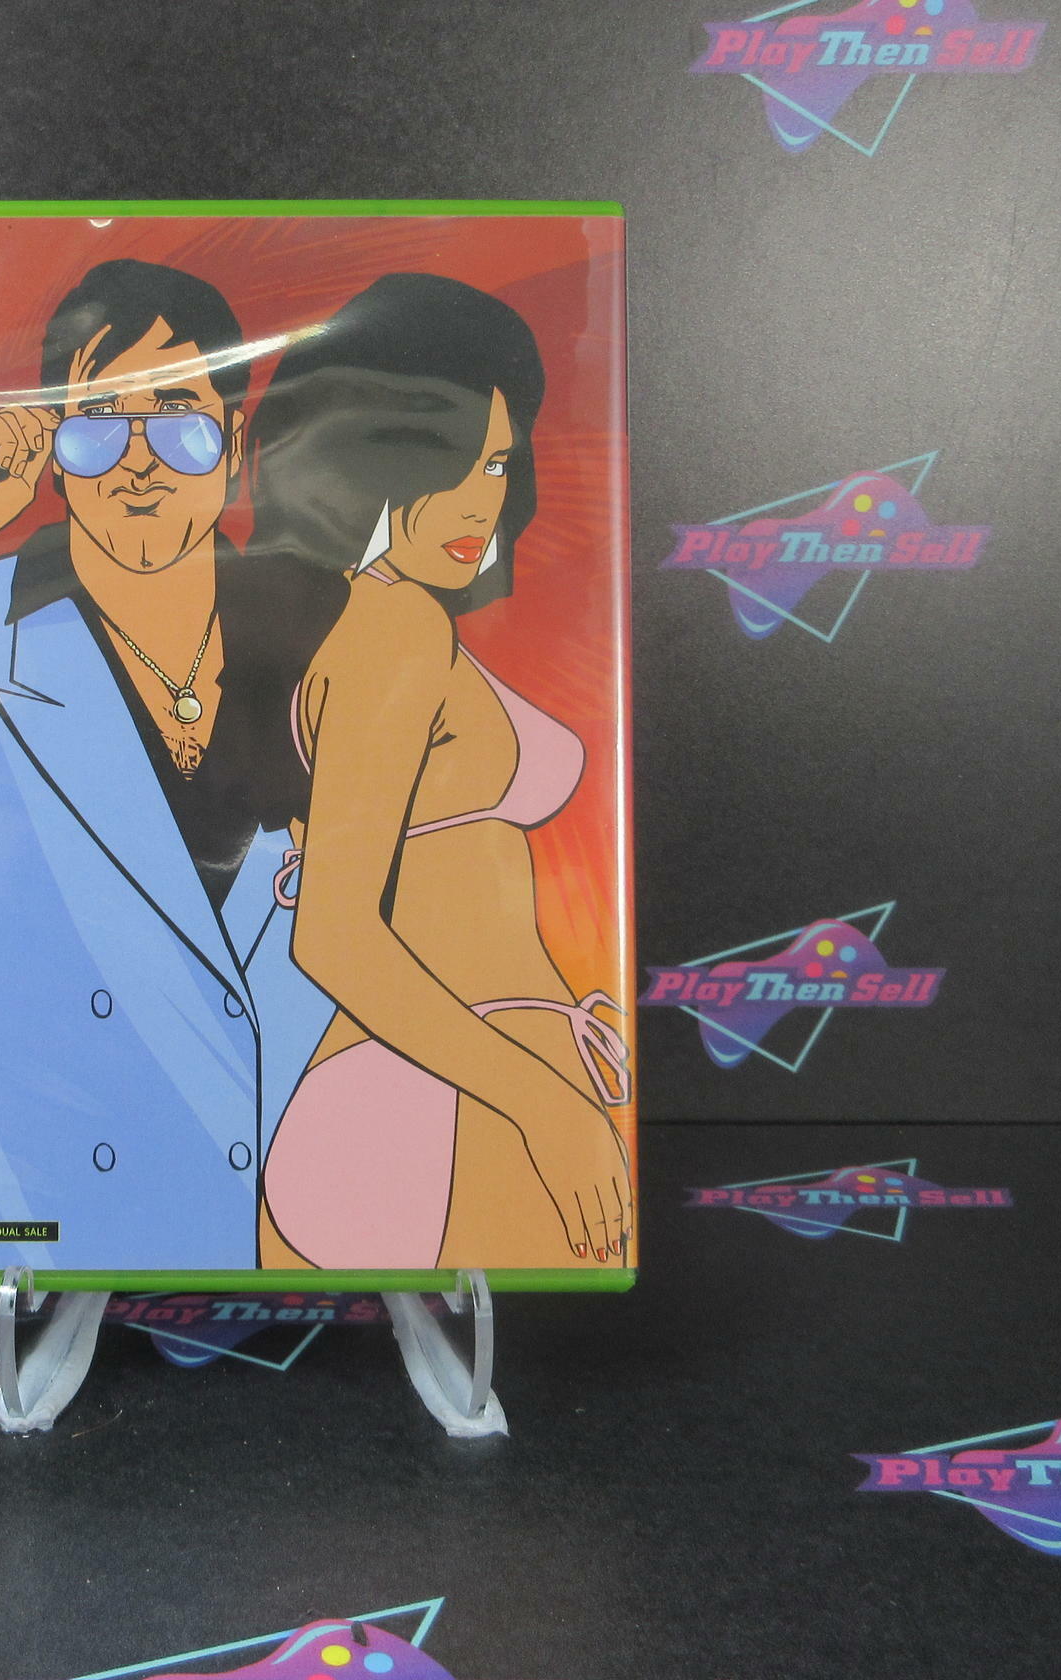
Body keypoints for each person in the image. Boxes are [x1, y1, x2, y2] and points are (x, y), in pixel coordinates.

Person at [0, 259, 332, 1272]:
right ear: (51, 450)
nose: (138, 463)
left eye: (177, 421)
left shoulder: (321, 631)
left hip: (302, 1226)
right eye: (97, 425)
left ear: (232, 449)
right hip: (44, 1227)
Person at [246, 272, 633, 1271]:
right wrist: (550, 1109)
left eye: (498, 463)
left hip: (420, 1088)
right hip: (460, 1093)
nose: (482, 498)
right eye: (453, 460)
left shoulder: (356, 620)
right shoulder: (396, 627)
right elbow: (333, 935)